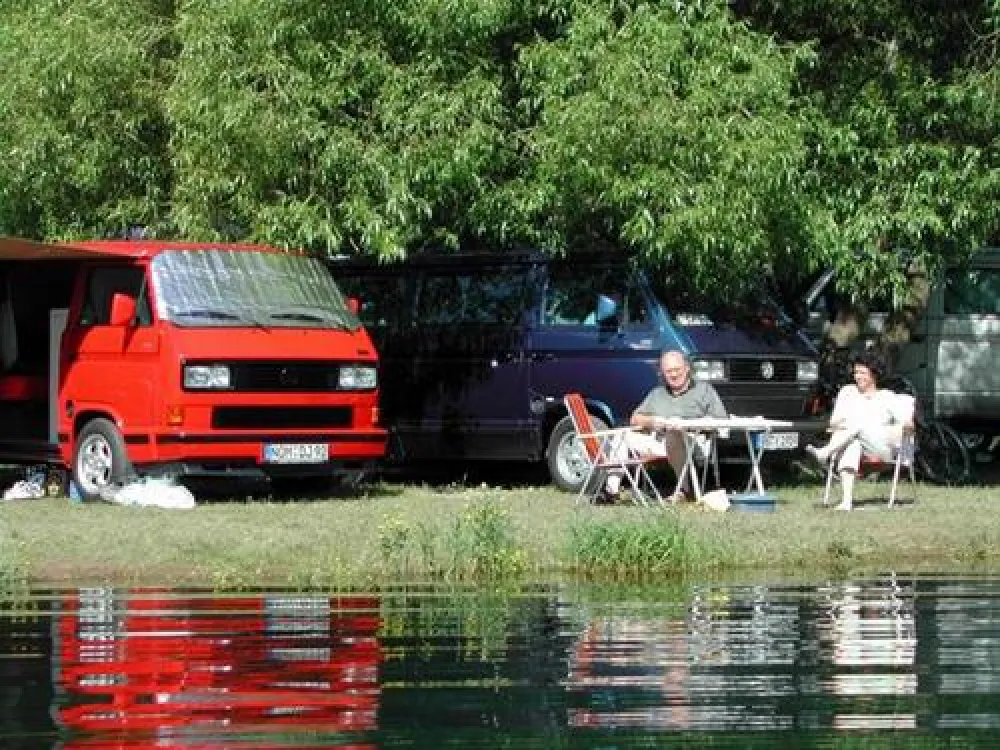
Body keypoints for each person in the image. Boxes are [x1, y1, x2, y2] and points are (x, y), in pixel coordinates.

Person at [604, 349, 728, 502]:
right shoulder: (657, 394)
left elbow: (721, 420)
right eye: (669, 371)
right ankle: (612, 490)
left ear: (687, 368)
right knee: (621, 436)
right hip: (658, 440)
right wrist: (653, 421)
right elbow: (635, 419)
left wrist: (687, 425)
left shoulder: (704, 390)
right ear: (662, 373)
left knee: (674, 434)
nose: (674, 375)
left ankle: (684, 490)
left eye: (677, 370)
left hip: (693, 441)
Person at [805, 349, 911, 511]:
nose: (857, 376)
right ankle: (846, 502)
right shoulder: (847, 392)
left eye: (862, 372)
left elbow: (908, 424)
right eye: (855, 372)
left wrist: (901, 428)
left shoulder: (887, 397)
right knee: (852, 444)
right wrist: (838, 423)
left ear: (874, 374)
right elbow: (833, 422)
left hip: (879, 447)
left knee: (858, 423)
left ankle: (825, 452)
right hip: (848, 440)